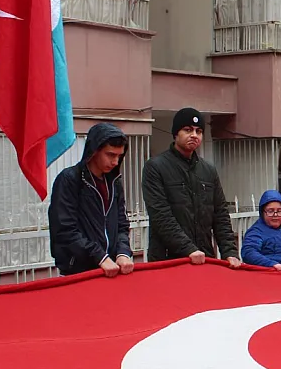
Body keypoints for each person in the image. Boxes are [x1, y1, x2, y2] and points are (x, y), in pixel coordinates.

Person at [143, 108, 239, 267]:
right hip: (169, 260)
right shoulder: (155, 167)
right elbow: (160, 216)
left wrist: (230, 252)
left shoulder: (208, 170)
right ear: (175, 133)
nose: (194, 135)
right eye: (187, 130)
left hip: (204, 258)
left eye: (199, 131)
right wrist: (189, 249)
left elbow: (220, 214)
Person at [49, 123, 135, 277]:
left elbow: (122, 223)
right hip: (78, 272)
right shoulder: (70, 179)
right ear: (94, 151)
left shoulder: (115, 182)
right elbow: (64, 230)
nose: (115, 162)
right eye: (110, 155)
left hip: (112, 269)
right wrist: (100, 257)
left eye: (119, 156)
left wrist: (123, 252)